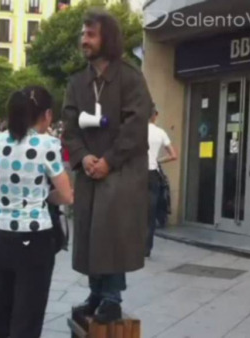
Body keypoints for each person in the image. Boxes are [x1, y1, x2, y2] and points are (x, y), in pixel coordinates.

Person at [63, 10, 154, 323]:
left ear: (108, 39)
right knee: (89, 231)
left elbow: (136, 125)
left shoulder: (130, 77)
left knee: (111, 229)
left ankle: (112, 298)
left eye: (91, 34)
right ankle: (97, 293)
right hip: (90, 170)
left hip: (122, 170)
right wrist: (84, 157)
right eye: (83, 34)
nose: (83, 40)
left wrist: (109, 160)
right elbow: (70, 127)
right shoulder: (78, 82)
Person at [0, 86, 73, 338]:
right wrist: (43, 197)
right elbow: (66, 195)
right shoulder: (46, 144)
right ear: (47, 115)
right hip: (34, 241)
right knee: (27, 318)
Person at [147, 108, 177, 257]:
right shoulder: (160, 133)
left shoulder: (136, 131)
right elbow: (173, 155)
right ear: (156, 116)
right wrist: (158, 160)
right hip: (152, 174)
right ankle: (147, 248)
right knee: (150, 212)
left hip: (136, 174)